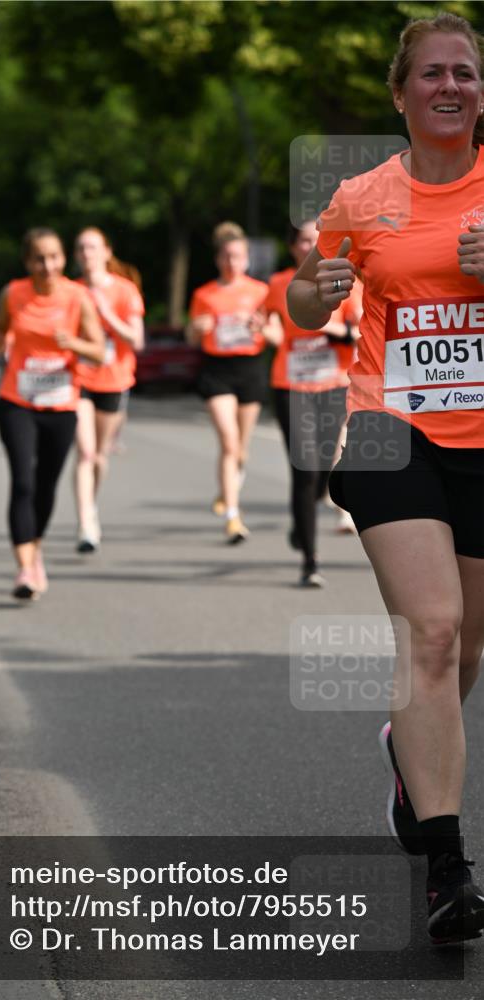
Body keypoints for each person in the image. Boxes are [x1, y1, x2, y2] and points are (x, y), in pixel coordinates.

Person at [287, 13, 484, 944]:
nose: (452, 86)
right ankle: (448, 866)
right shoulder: (363, 199)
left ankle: (408, 759)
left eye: (467, 74)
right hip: (388, 429)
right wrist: (313, 290)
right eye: (435, 74)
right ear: (402, 93)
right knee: (432, 628)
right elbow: (297, 298)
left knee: (463, 653)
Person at [0, 227, 104, 600]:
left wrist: (75, 343)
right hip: (17, 402)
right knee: (23, 481)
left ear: (63, 259)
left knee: (46, 485)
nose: (47, 265)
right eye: (39, 258)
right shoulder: (13, 293)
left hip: (61, 405)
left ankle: (35, 549)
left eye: (54, 257)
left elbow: (99, 351)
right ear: (28, 262)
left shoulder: (77, 296)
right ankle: (24, 569)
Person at [265, 220, 357, 586]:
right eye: (304, 240)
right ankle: (310, 559)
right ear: (293, 247)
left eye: (316, 240)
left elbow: (361, 331)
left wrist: (332, 329)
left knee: (322, 471)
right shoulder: (277, 284)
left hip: (333, 384)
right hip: (290, 384)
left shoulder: (346, 278)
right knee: (303, 469)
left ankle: (306, 517)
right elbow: (269, 325)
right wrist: (267, 332)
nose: (310, 245)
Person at [186, 222, 269, 543]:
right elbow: (191, 336)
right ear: (218, 259)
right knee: (229, 441)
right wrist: (198, 327)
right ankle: (233, 517)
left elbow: (276, 336)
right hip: (217, 370)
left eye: (237, 257)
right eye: (226, 257)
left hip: (249, 368)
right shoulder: (204, 294)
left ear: (247, 259)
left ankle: (228, 489)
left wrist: (261, 327)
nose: (231, 263)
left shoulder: (260, 292)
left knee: (242, 451)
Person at [72, 227, 145, 552]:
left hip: (114, 379)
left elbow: (137, 340)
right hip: (77, 379)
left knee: (100, 456)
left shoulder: (125, 290)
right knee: (85, 453)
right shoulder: (70, 291)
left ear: (106, 252)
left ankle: (92, 504)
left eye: (93, 247)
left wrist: (106, 314)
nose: (87, 253)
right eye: (82, 248)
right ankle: (86, 521)